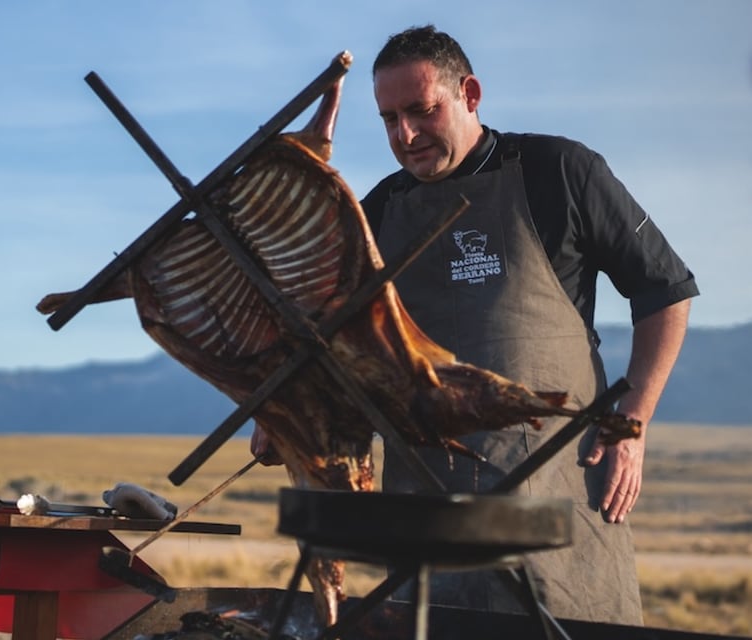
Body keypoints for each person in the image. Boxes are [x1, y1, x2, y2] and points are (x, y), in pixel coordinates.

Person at [252, 24, 698, 625]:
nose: (405, 135)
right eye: (388, 120)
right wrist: (288, 415)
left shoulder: (557, 171)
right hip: (425, 506)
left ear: (470, 93)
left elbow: (664, 291)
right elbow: (338, 344)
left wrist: (633, 422)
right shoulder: (380, 212)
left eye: (421, 110)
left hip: (555, 494)